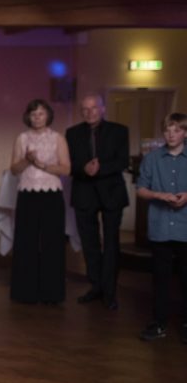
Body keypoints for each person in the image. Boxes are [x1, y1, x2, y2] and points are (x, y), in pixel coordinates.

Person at [66, 93, 130, 311]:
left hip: (112, 193)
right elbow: (69, 164)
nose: (89, 112)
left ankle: (110, 292)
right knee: (89, 244)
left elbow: (122, 161)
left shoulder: (119, 131)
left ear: (103, 109)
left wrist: (99, 168)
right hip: (84, 193)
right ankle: (96, 286)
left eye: (94, 108)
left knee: (111, 244)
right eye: (85, 109)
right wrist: (83, 168)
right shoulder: (72, 133)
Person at [9, 99, 71, 304]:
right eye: (33, 114)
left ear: (48, 116)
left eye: (41, 113)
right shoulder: (22, 138)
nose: (37, 117)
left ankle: (51, 293)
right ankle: (25, 292)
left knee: (52, 243)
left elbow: (66, 169)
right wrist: (27, 160)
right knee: (25, 242)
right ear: (28, 116)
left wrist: (42, 165)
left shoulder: (58, 138)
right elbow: (14, 169)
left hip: (51, 194)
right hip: (27, 194)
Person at [136, 113, 187, 342]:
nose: (171, 135)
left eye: (177, 130)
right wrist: (160, 195)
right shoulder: (152, 159)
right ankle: (159, 323)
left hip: (185, 227)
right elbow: (141, 189)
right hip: (161, 226)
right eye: (167, 130)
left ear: (185, 133)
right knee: (160, 279)